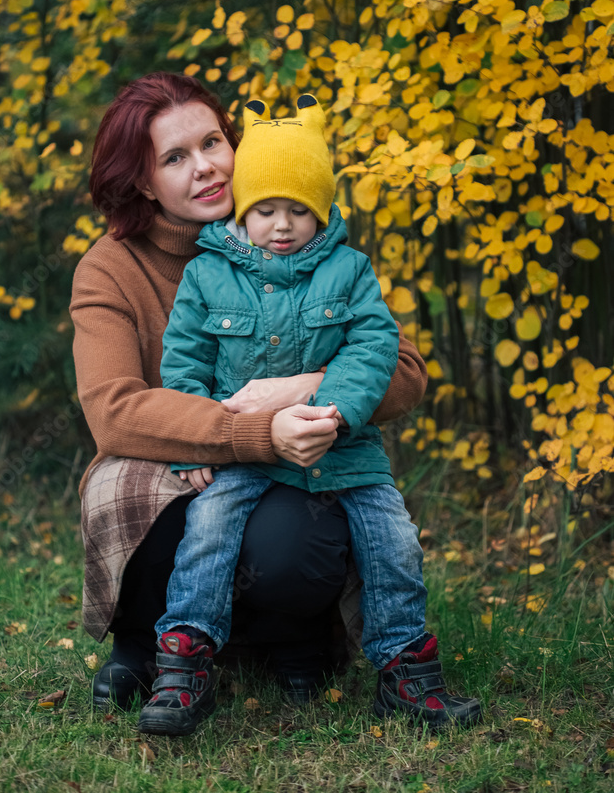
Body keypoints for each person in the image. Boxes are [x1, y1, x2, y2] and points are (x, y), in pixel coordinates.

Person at [70, 72, 429, 712]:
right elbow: (114, 409)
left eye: (213, 142)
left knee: (295, 543)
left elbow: (401, 368)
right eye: (175, 158)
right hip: (176, 455)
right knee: (133, 493)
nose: (206, 168)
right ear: (145, 181)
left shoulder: (309, 243)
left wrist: (307, 386)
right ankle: (140, 645)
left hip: (285, 459)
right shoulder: (110, 268)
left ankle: (289, 637)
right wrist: (250, 430)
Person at [137, 95, 481, 737]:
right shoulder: (208, 277)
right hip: (243, 452)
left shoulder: (349, 271)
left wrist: (336, 410)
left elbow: (375, 346)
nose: (282, 225)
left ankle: (405, 670)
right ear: (244, 209)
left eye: (300, 210)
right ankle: (185, 662)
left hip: (344, 449)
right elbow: (183, 368)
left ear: (321, 210)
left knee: (395, 541)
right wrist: (198, 447)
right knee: (209, 526)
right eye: (266, 209)